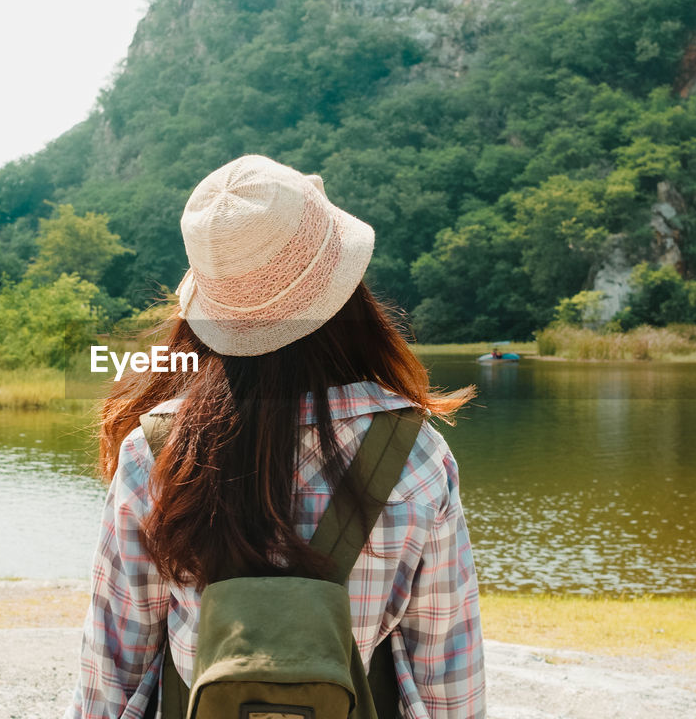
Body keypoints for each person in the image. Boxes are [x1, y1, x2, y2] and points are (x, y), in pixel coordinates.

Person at [68, 156, 485, 718]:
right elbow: (445, 681)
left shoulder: (155, 454)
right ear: (345, 294)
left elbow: (111, 674)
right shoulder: (418, 456)